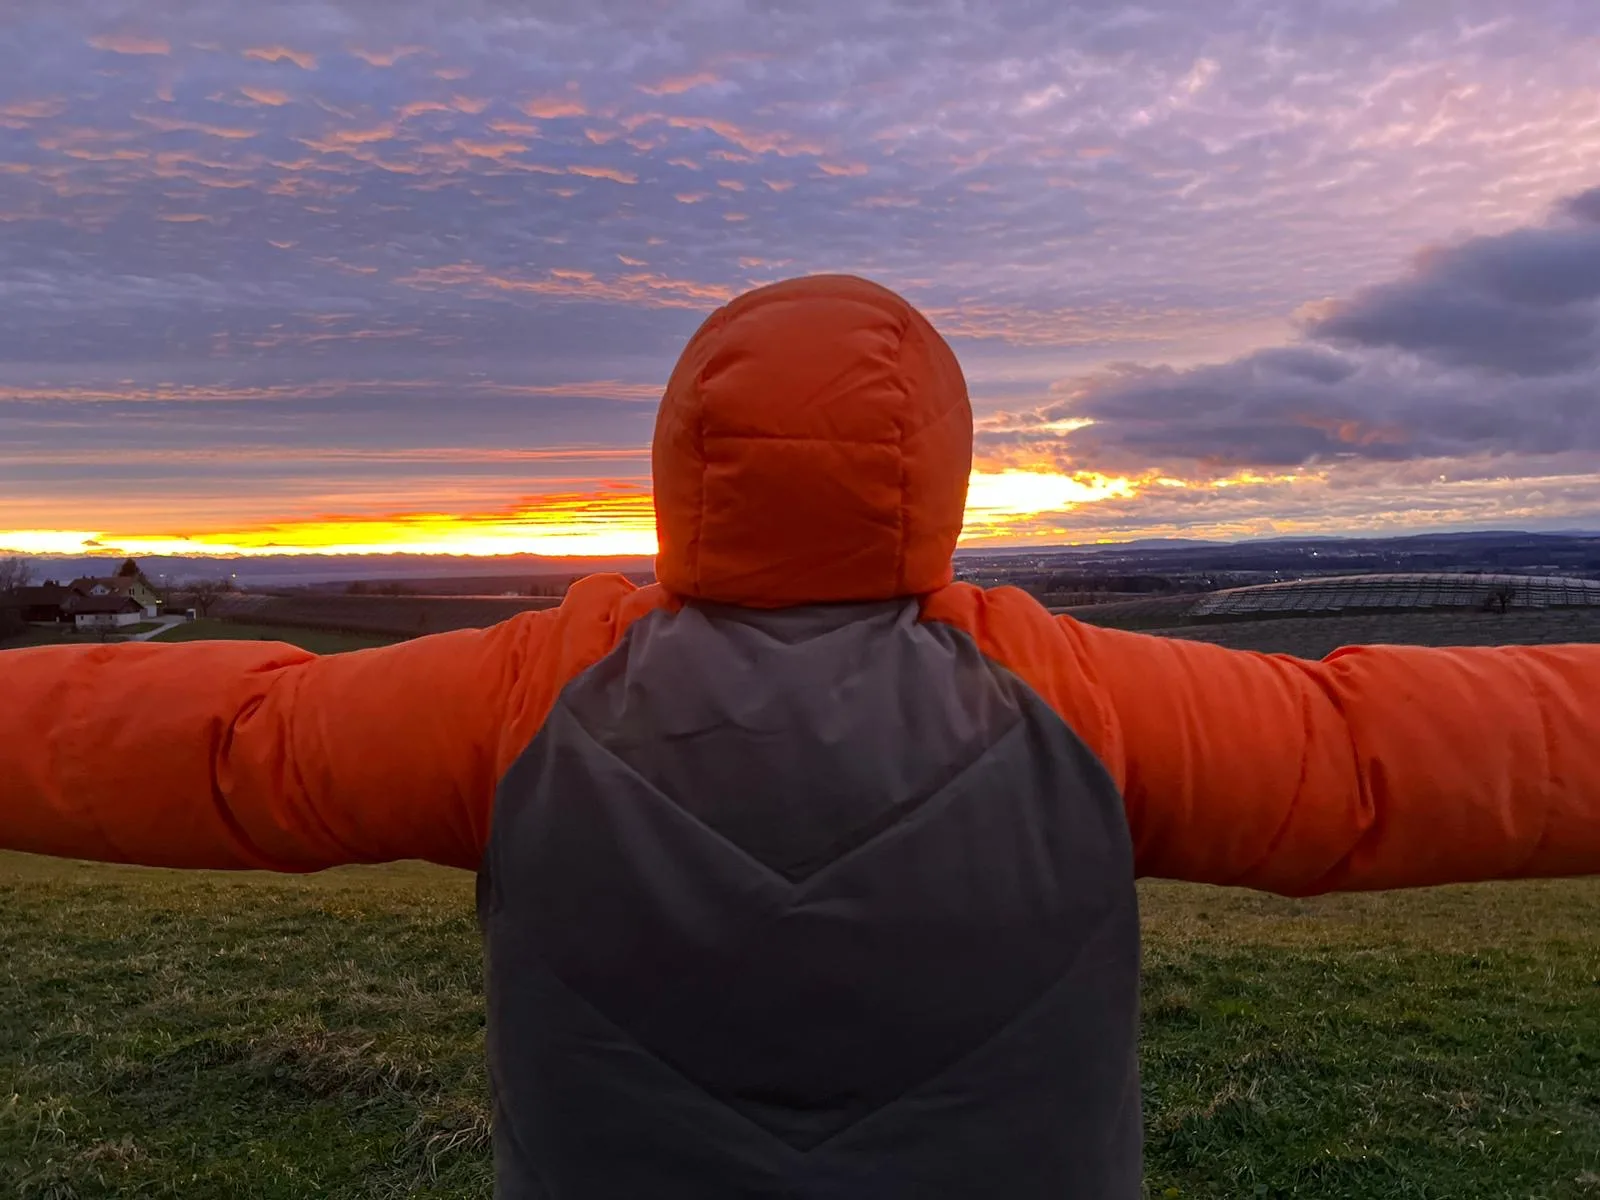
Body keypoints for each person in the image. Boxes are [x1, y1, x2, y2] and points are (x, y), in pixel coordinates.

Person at [3, 273, 1599, 1199]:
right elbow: (1392, 749)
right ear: (946, 467)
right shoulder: (1081, 693)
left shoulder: (529, 691)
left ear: (684, 456)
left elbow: (223, 744)